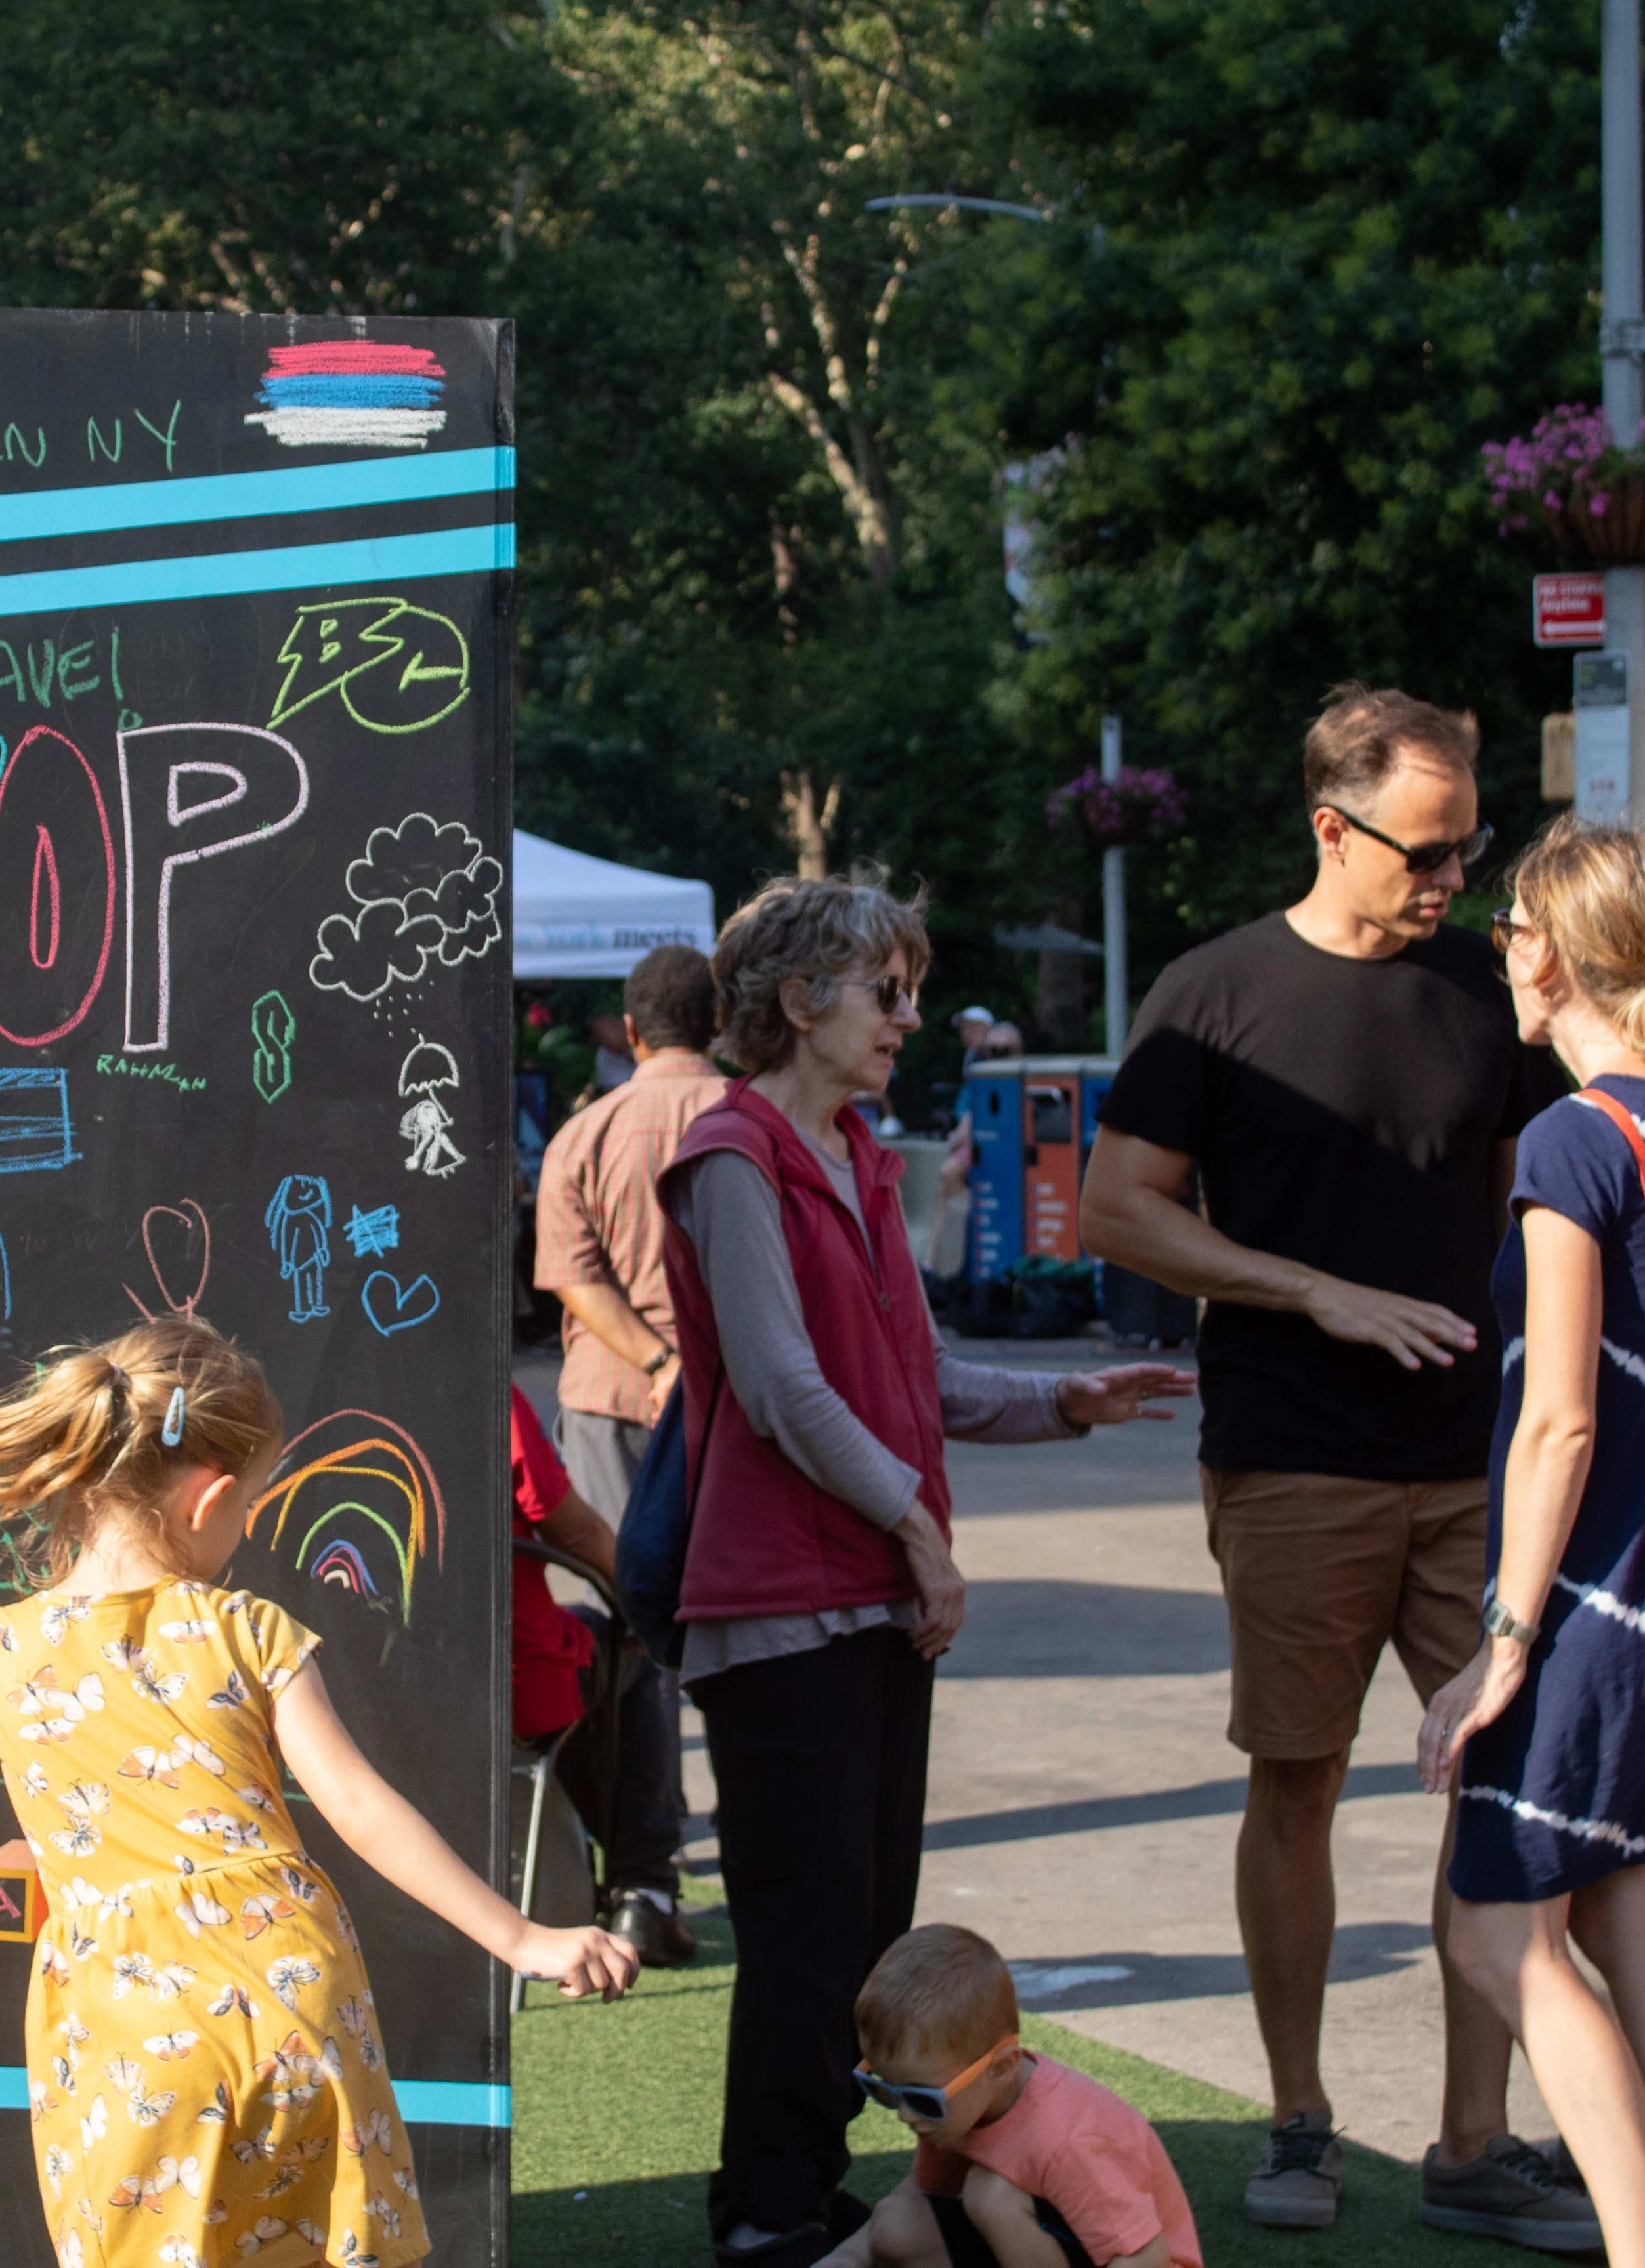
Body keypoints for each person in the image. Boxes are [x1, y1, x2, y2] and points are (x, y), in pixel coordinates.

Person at [0, 1317, 637, 2268]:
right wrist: (523, 1938)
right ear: (210, 1500)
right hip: (298, 2003)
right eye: (251, 1507)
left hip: (127, 2034)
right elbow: (363, 1811)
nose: (244, 1532)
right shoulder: (248, 1631)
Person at [1077, 684, 1580, 2245]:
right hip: (1293, 1453)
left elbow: (1531, 1185)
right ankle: (1297, 2114)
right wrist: (1310, 1286)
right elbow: (1115, 1206)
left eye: (1465, 847)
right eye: (1423, 851)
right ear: (1329, 826)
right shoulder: (1213, 990)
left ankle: (1470, 2136)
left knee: (1500, 1785)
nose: (1448, 879)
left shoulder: (1480, 995)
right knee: (1294, 1779)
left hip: (1472, 1462)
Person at [664, 870, 1191, 2268]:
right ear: (799, 1001)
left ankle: (796, 2187)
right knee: (806, 1930)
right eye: (885, 992)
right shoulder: (735, 1156)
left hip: (868, 1605)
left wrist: (1063, 1403)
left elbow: (914, 1375)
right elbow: (780, 1385)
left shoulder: (857, 1158)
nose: (909, 1018)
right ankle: (768, 2209)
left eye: (910, 990)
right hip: (781, 1602)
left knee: (861, 1926)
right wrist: (916, 1527)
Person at [1418, 816, 1645, 2268]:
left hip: (1590, 1604)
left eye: (1505, 927)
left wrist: (1498, 1646)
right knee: (1636, 1929)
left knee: (1498, 1936)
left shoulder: (1572, 1137)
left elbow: (1556, 1422)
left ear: (1546, 950)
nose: (1498, 950)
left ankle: (1644, 2259)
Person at [822, 1924, 1203, 2268]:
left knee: (992, 2196)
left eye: (921, 2097)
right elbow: (925, 2194)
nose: (905, 2114)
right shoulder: (956, 2109)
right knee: (897, 2225)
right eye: (884, 2089)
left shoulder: (1067, 2140)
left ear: (1001, 2067)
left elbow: (1145, 2255)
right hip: (1052, 2245)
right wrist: (846, 2258)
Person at [536, 943, 733, 1505]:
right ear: (717, 1026)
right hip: (736, 1397)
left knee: (621, 1584)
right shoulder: (762, 1126)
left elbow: (573, 1278)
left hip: (613, 1396)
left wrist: (660, 1363)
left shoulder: (583, 1136)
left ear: (631, 1030)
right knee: (728, 1588)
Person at [507, 1383, 696, 1964]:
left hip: (359, 1689)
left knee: (591, 1639)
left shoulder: (299, 1380)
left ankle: (589, 1871)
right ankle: (646, 1892)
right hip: (506, 1683)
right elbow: (573, 1528)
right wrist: (644, 1605)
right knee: (639, 1647)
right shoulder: (476, 1379)